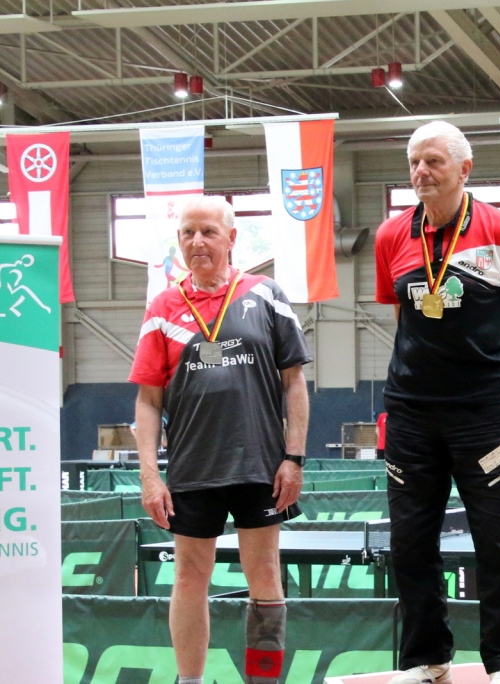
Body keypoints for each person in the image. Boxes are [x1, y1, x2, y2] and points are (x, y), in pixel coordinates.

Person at [374, 120, 500, 684]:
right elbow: (403, 316)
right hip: (411, 415)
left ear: (464, 169)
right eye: (414, 162)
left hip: (486, 414)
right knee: (410, 542)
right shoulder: (391, 236)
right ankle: (427, 659)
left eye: (433, 161)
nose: (421, 171)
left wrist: (495, 377)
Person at [129, 196, 312, 684]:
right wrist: (150, 477)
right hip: (192, 469)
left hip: (261, 466)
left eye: (208, 231)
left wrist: (293, 457)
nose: (197, 241)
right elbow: (148, 401)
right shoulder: (163, 307)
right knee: (189, 578)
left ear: (231, 238)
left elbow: (294, 382)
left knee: (265, 575)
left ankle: (263, 682)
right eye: (188, 233)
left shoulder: (266, 294)